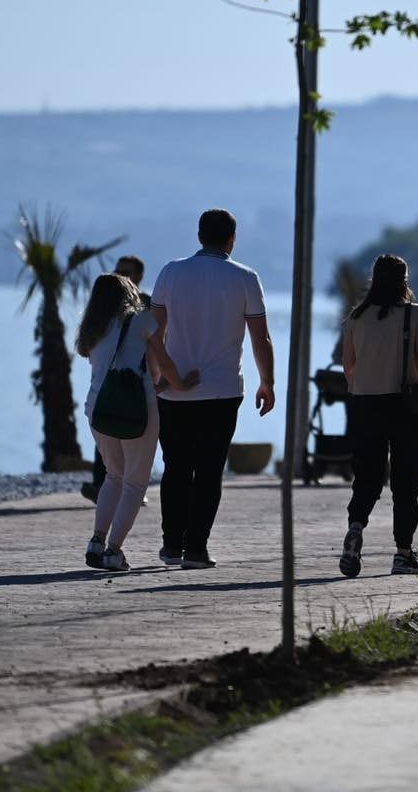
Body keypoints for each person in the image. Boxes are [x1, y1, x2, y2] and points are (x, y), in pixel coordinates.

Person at [151, 209, 275, 569]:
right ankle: (196, 549)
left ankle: (171, 545)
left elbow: (153, 331)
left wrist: (162, 375)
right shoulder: (245, 278)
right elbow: (261, 337)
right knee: (208, 470)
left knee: (175, 467)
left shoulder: (170, 272)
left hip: (174, 390)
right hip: (222, 390)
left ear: (199, 235)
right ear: (232, 239)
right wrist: (267, 381)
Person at [76, 274, 195, 571]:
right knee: (135, 482)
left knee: (113, 475)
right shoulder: (142, 321)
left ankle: (96, 541)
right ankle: (113, 551)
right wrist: (179, 384)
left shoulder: (93, 328)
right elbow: (163, 362)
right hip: (136, 409)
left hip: (98, 408)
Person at [337, 254, 418, 578]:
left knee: (367, 479)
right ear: (404, 281)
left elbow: (349, 368)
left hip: (364, 405)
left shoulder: (356, 317)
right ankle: (403, 553)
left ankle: (356, 527)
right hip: (404, 407)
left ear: (374, 280)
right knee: (405, 483)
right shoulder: (415, 315)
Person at [83, 255, 152, 504]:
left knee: (129, 438)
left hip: (135, 386)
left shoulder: (145, 306)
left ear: (140, 276)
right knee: (109, 432)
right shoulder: (104, 309)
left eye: (126, 271)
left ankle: (125, 489)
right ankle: (105, 486)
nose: (121, 275)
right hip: (107, 387)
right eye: (118, 270)